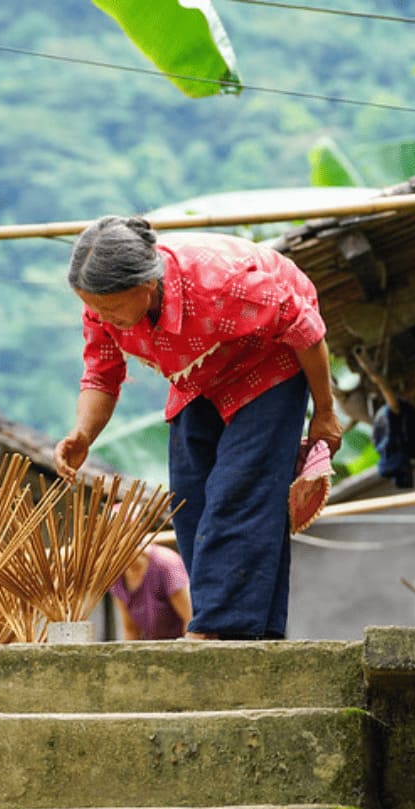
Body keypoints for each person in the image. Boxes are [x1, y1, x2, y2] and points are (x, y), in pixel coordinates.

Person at [54, 215, 343, 641]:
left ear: (145, 286)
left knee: (242, 488)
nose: (103, 318)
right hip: (198, 372)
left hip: (270, 361)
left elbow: (305, 330)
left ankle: (220, 629)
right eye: (95, 307)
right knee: (192, 494)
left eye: (112, 308)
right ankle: (254, 630)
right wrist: (82, 434)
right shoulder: (103, 307)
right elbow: (100, 373)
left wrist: (324, 411)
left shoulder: (222, 283)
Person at [109, 539, 191, 640]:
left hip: (181, 643)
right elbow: (131, 630)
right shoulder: (116, 576)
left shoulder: (165, 565)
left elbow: (190, 620)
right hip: (155, 646)